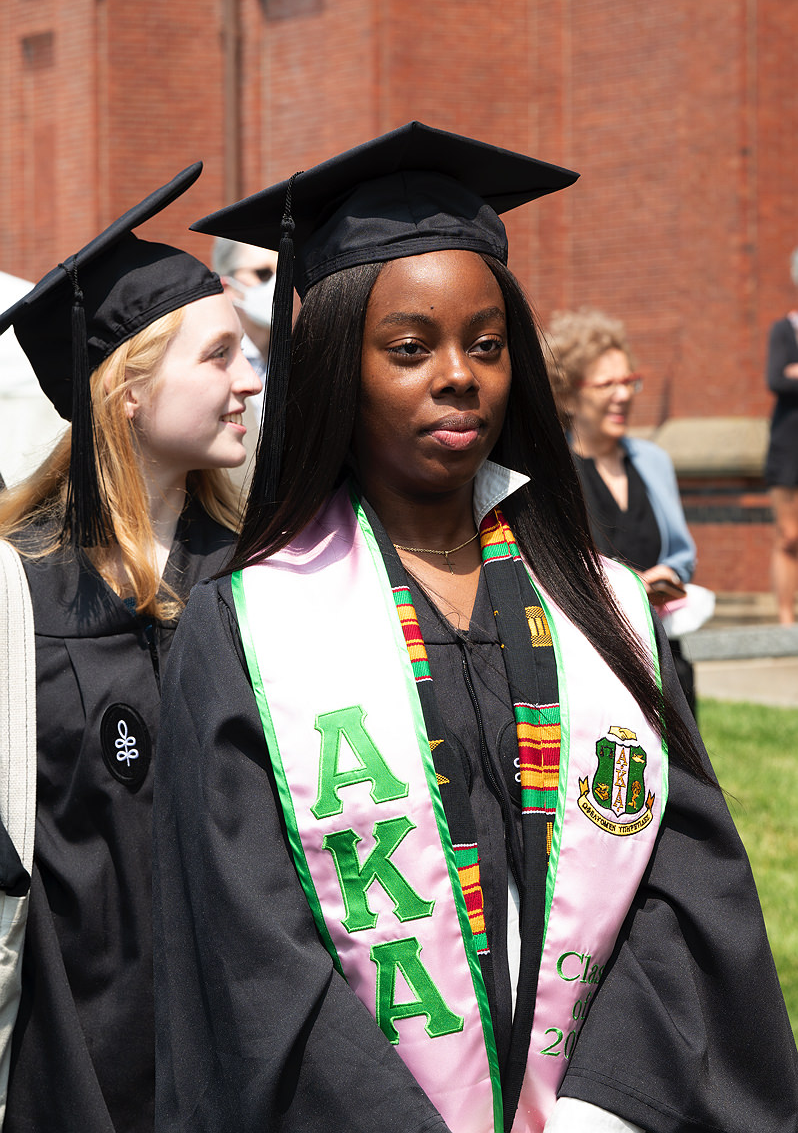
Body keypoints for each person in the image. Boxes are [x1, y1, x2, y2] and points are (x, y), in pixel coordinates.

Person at [153, 124, 797, 1133]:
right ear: (333, 367)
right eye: (409, 349)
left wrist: (602, 1106)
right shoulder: (246, 631)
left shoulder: (603, 610)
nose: (458, 374)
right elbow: (249, 951)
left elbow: (679, 887)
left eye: (486, 344)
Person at [0, 163, 261, 1132]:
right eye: (220, 355)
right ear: (129, 394)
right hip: (66, 1057)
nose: (250, 378)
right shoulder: (17, 594)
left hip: (245, 1039)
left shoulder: (261, 575)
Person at [543, 307, 698, 711]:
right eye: (607, 383)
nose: (624, 394)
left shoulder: (653, 461)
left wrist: (673, 575)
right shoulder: (549, 472)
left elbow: (681, 555)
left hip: (665, 658)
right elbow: (550, 569)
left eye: (629, 381)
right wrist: (628, 590)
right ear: (568, 395)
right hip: (595, 664)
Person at [764, 248, 798, 625]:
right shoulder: (785, 329)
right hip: (789, 449)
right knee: (789, 535)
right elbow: (776, 378)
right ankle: (787, 622)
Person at [212, 236, 279, 396]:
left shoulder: (306, 356)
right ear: (226, 285)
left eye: (290, 272)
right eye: (263, 274)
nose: (280, 284)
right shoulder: (209, 364)